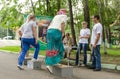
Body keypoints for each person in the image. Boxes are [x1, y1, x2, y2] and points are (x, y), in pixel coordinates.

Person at [45, 9, 67, 73]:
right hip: (56, 31)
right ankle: (51, 64)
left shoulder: (56, 16)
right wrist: (63, 33)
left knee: (50, 47)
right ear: (63, 12)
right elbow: (62, 24)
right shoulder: (64, 16)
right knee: (57, 46)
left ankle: (52, 62)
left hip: (49, 31)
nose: (66, 13)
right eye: (66, 12)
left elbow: (50, 25)